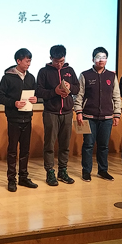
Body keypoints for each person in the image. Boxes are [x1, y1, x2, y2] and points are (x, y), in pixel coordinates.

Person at [74, 47, 121, 182]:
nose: (101, 60)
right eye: (98, 57)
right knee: (88, 145)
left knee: (104, 146)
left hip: (107, 118)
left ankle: (103, 170)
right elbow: (79, 95)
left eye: (104, 57)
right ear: (93, 59)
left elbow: (116, 96)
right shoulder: (85, 75)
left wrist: (117, 114)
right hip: (88, 116)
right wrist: (78, 111)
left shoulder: (111, 76)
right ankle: (86, 171)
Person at [36, 45, 80, 186]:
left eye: (61, 61)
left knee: (65, 144)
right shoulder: (44, 71)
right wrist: (54, 91)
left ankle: (63, 171)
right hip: (51, 112)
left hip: (67, 112)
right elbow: (39, 92)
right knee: (49, 144)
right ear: (51, 58)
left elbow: (77, 88)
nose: (59, 64)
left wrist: (70, 87)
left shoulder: (70, 70)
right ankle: (50, 172)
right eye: (56, 61)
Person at [0, 48, 39, 192]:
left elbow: (35, 94)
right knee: (12, 150)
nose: (29, 63)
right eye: (26, 61)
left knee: (25, 150)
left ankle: (23, 177)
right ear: (18, 61)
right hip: (14, 119)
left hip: (27, 118)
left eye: (30, 61)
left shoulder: (31, 77)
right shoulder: (7, 77)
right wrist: (13, 103)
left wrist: (36, 99)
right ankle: (11, 179)